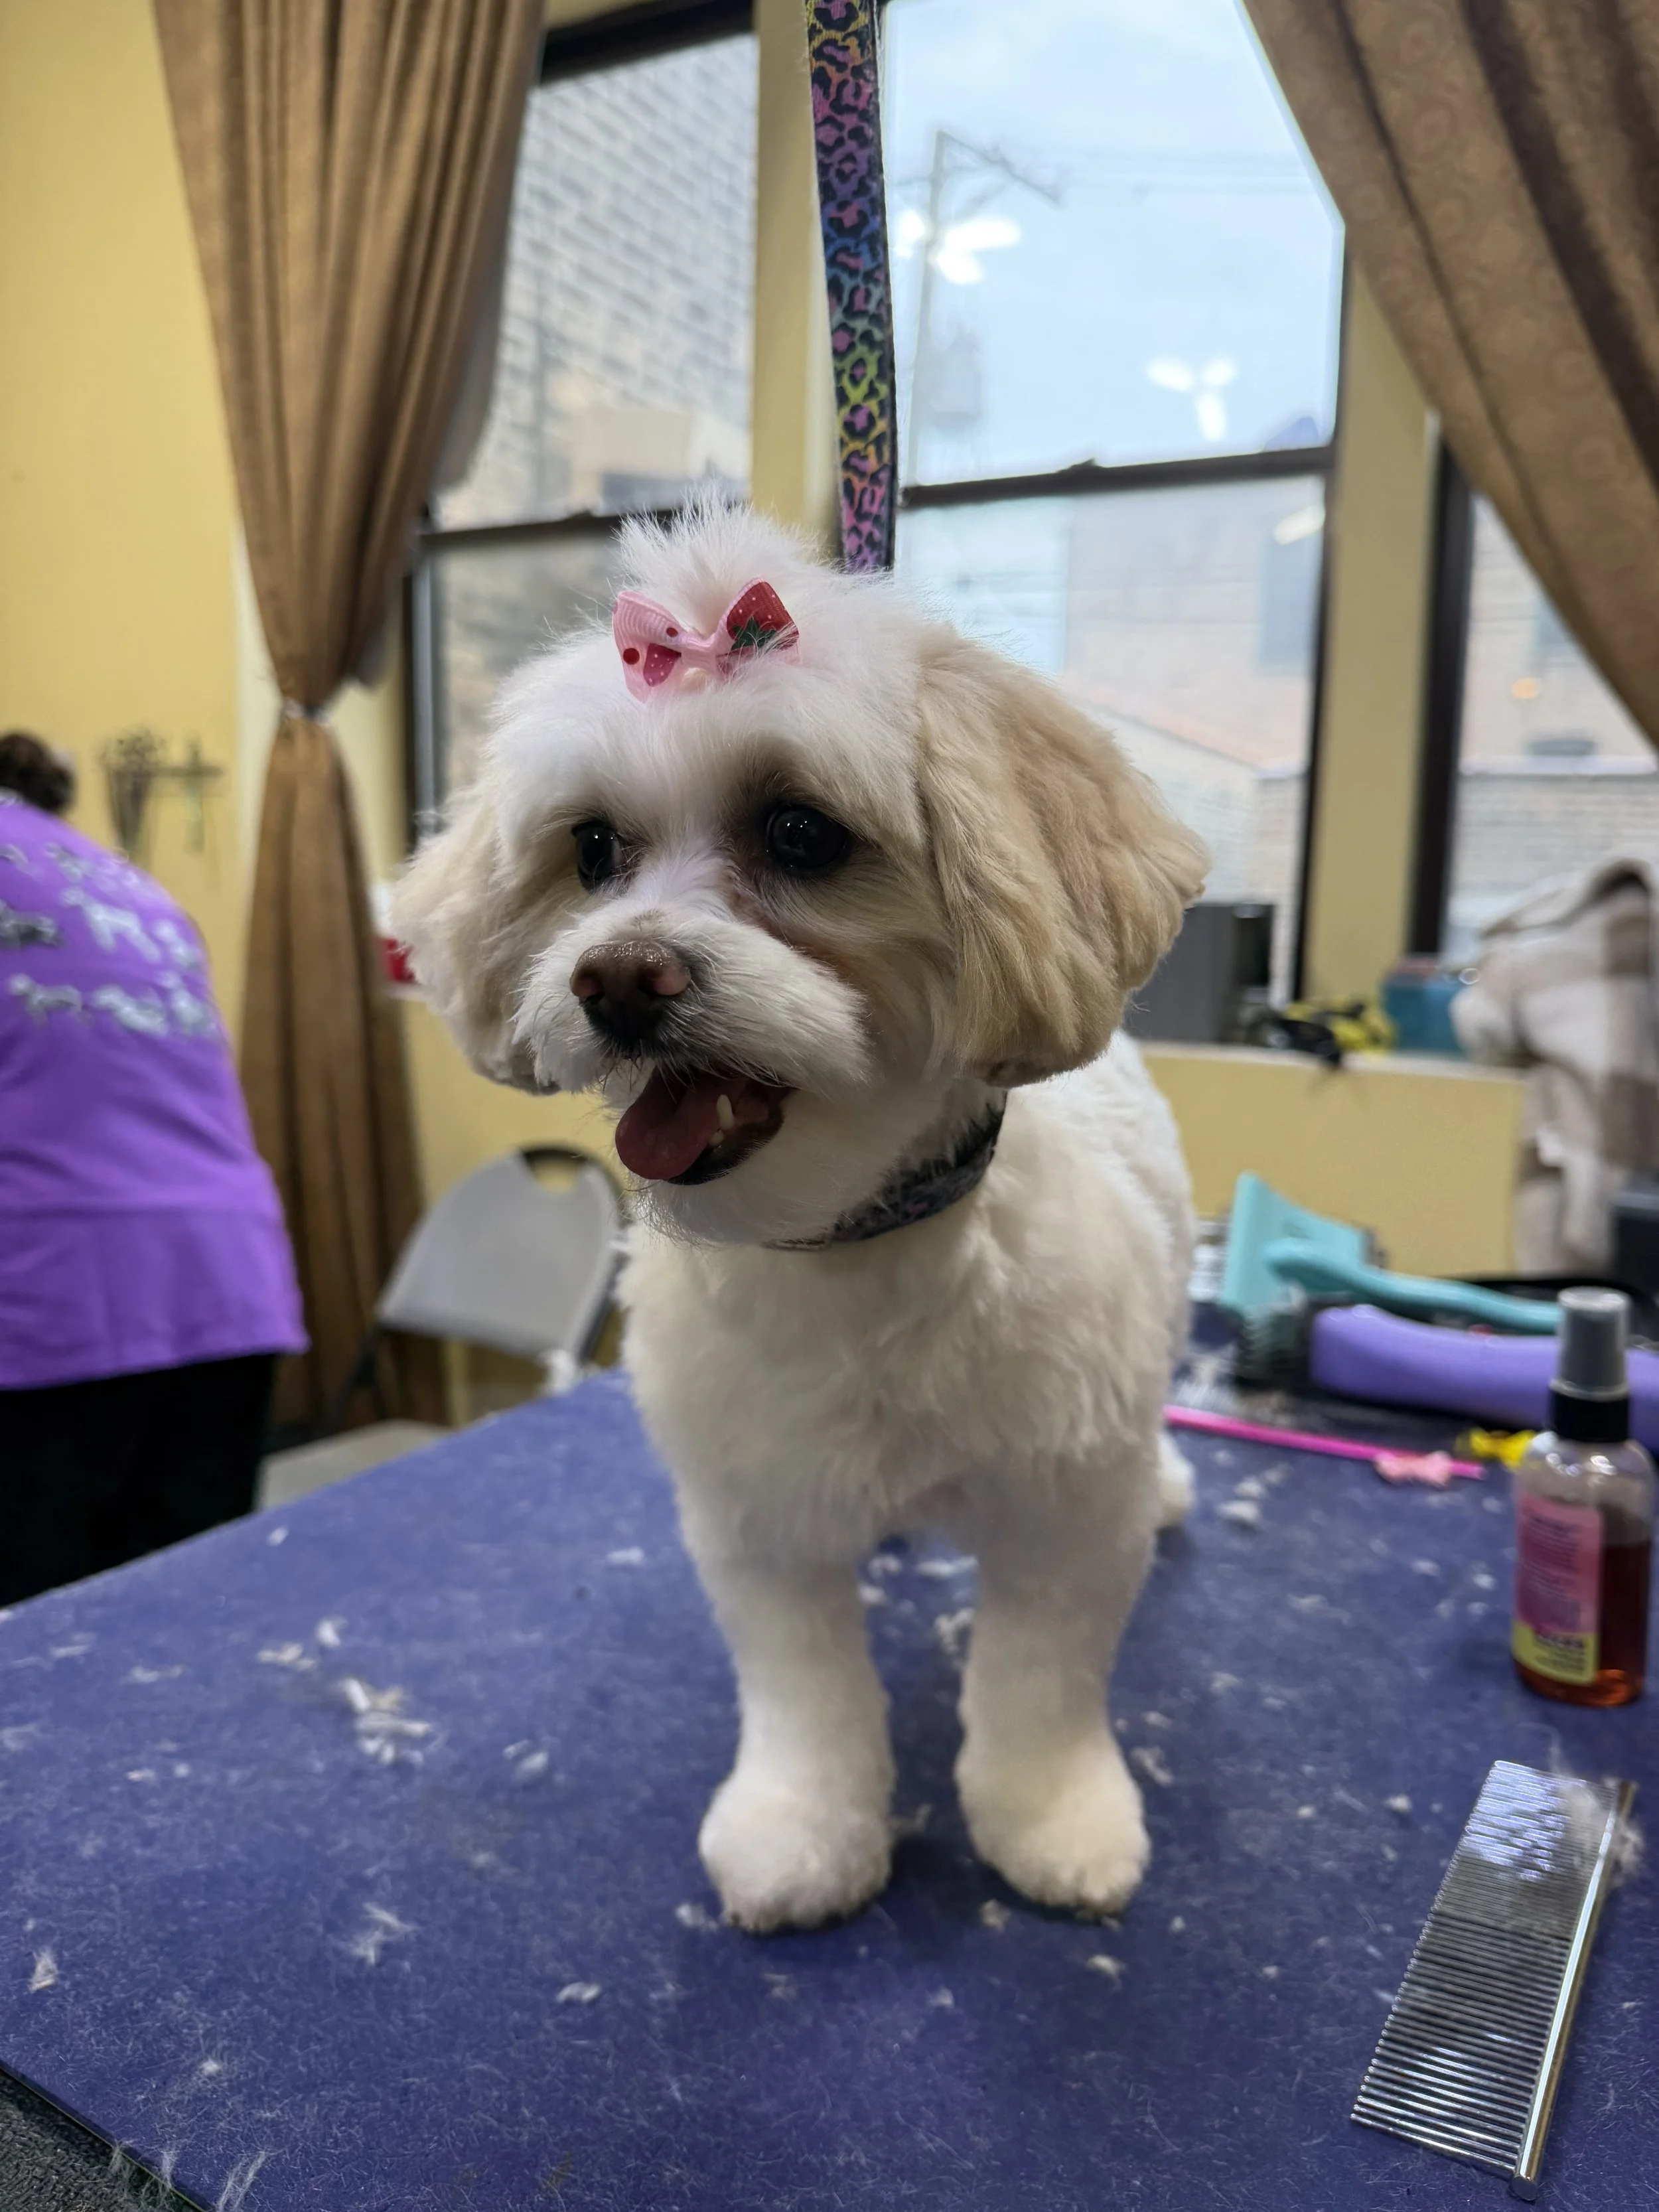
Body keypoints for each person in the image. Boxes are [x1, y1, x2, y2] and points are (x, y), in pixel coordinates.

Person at [0, 731, 305, 1604]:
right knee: (172, 1628)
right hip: (226, 1285)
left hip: (50, 1294)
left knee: (35, 1652)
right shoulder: (135, 888)